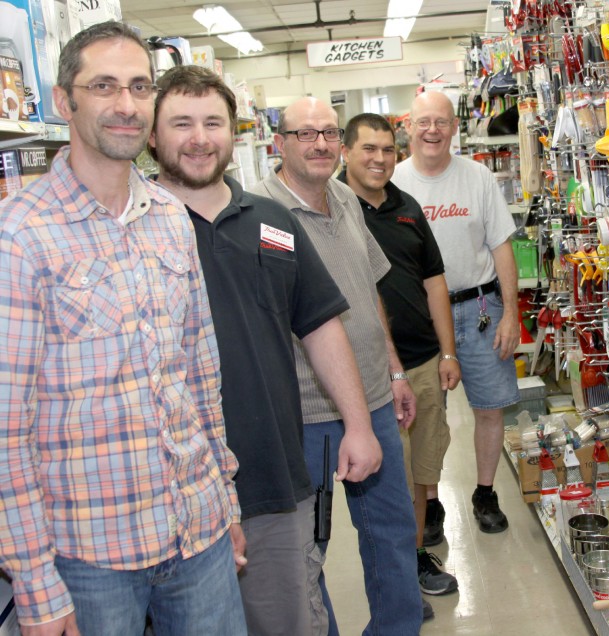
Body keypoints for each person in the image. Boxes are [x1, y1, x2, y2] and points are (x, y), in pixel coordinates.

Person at [0, 22, 246, 635]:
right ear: (65, 101)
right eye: (104, 85)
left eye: (140, 86)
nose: (126, 105)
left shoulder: (169, 216)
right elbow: (6, 431)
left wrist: (226, 501)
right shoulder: (20, 235)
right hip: (87, 558)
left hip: (199, 533)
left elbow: (200, 376)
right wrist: (34, 582)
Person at [148, 65, 383, 635]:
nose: (200, 138)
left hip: (274, 476)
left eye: (213, 122)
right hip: (167, 491)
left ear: (237, 132)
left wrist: (358, 423)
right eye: (181, 123)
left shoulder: (272, 222)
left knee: (288, 621)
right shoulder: (135, 226)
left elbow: (321, 325)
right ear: (152, 137)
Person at [249, 97, 422, 635]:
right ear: (279, 143)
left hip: (372, 399)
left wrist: (394, 371)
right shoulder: (258, 216)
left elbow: (370, 292)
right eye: (306, 134)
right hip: (307, 413)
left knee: (393, 532)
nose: (320, 144)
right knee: (308, 550)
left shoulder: (345, 198)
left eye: (328, 132)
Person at [339, 113, 460, 598]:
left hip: (424, 361)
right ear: (346, 152)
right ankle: (394, 579)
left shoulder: (407, 206)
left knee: (420, 475)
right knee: (388, 479)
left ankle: (412, 563)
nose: (379, 159)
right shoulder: (334, 209)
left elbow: (434, 280)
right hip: (369, 373)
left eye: (388, 149)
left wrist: (447, 352)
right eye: (368, 149)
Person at [392, 91, 521, 537]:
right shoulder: (393, 182)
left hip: (482, 309)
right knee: (426, 415)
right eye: (424, 121)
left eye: (441, 122)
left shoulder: (478, 177)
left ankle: (485, 493)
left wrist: (512, 313)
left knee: (490, 408)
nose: (432, 130)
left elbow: (501, 245)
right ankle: (430, 504)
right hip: (422, 321)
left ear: (453, 126)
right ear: (409, 127)